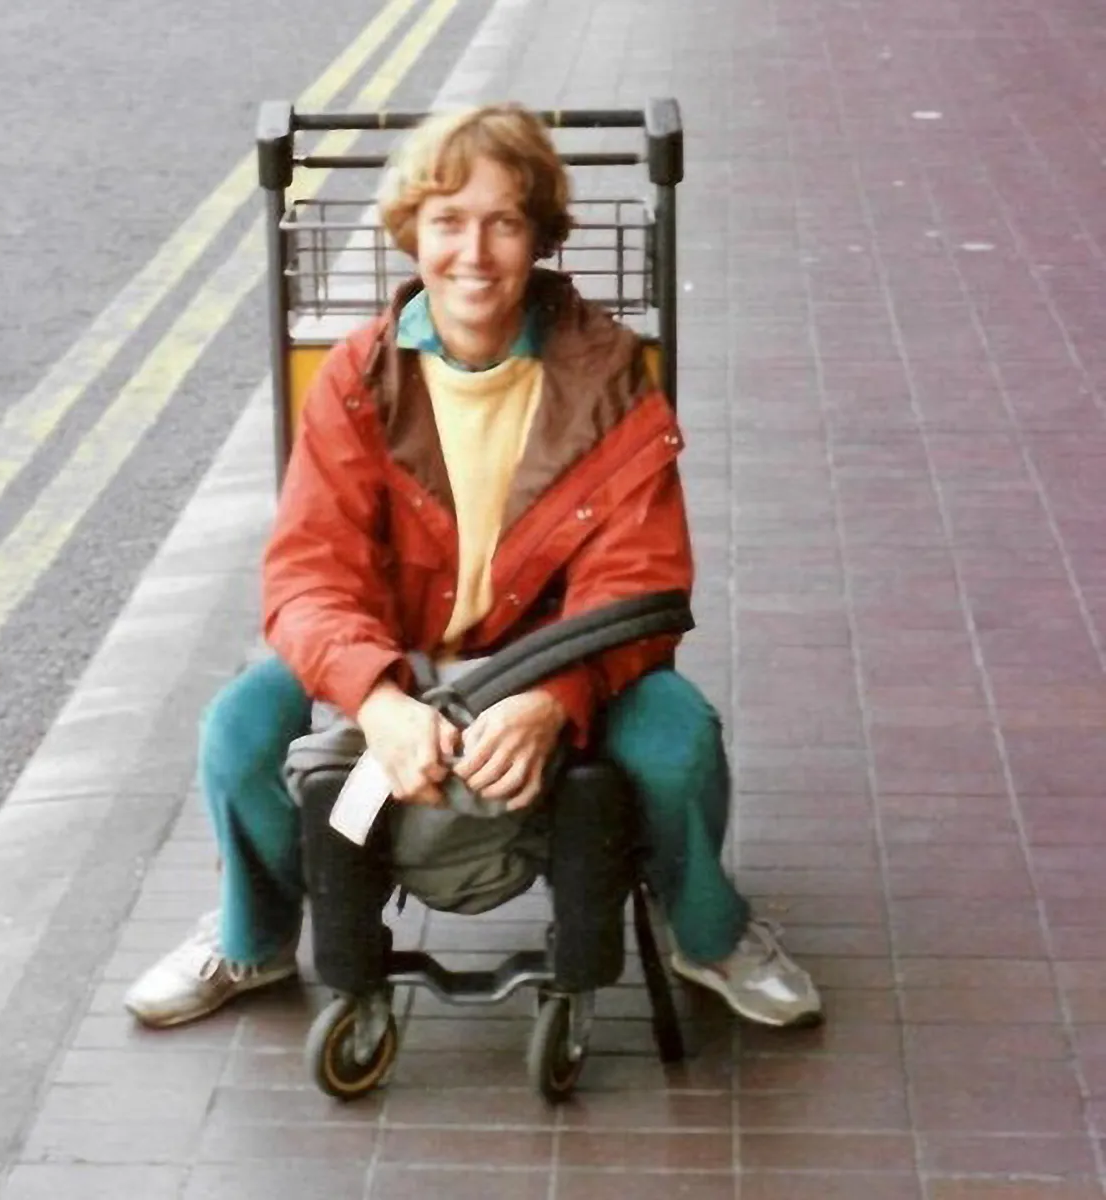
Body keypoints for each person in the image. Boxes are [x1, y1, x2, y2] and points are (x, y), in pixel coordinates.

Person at [124, 103, 821, 1032]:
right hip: (399, 660)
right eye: (449, 222)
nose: (475, 253)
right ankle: (252, 940)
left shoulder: (607, 370)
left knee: (677, 738)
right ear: (413, 232)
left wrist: (553, 696)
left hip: (553, 663)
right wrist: (377, 701)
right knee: (239, 730)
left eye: (504, 221)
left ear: (539, 235)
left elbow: (641, 580)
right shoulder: (357, 378)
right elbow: (307, 575)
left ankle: (708, 927)